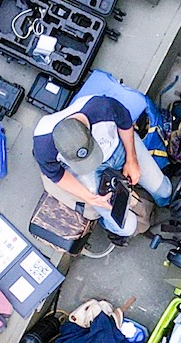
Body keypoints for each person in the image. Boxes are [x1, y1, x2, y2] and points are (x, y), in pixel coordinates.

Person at [32, 71, 171, 245]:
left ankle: (163, 206)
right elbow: (56, 175)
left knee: (164, 190)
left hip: (117, 147)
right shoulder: (42, 145)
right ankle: (109, 222)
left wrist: (131, 159)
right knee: (125, 227)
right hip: (87, 172)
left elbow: (125, 123)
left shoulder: (101, 107)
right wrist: (90, 198)